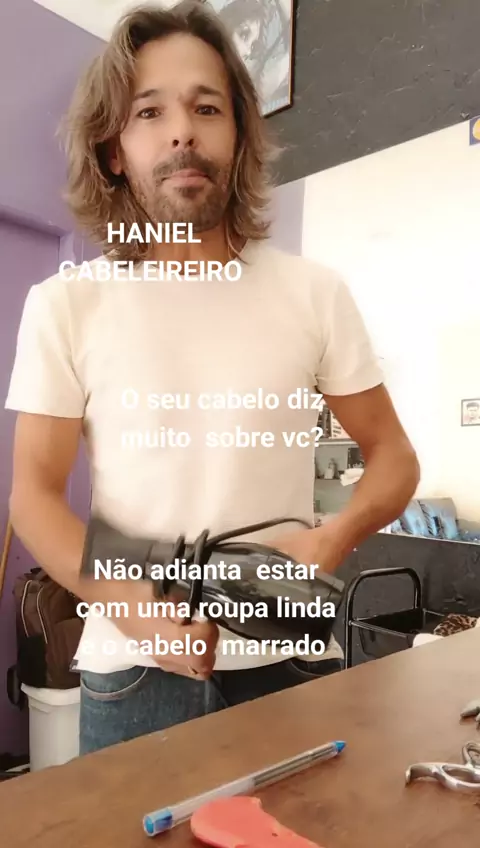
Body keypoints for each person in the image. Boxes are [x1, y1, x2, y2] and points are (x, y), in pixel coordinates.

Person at [5, 0, 420, 755]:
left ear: (239, 136)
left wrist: (332, 539)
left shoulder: (314, 293)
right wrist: (132, 609)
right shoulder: (65, 304)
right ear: (114, 150)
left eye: (207, 107)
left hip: (290, 662)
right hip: (133, 671)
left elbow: (394, 459)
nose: (182, 132)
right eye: (149, 112)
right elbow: (33, 498)